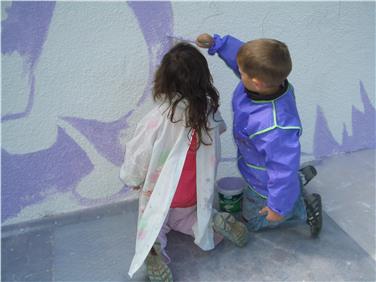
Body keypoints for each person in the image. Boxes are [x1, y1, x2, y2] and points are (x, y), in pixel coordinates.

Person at [120, 42, 248, 282]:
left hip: (165, 193)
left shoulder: (158, 118)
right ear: (203, 78)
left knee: (156, 221)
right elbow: (221, 129)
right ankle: (211, 221)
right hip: (194, 192)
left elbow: (138, 153)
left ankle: (154, 249)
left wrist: (133, 178)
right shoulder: (208, 111)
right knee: (187, 218)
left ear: (164, 81)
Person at [196, 33, 322, 237]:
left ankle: (301, 208)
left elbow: (281, 168)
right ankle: (294, 184)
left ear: (256, 82)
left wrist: (277, 209)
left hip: (262, 180)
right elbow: (244, 58)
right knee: (285, 169)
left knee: (253, 219)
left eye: (241, 71)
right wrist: (217, 44)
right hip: (260, 159)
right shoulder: (268, 80)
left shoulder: (274, 128)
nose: (238, 71)